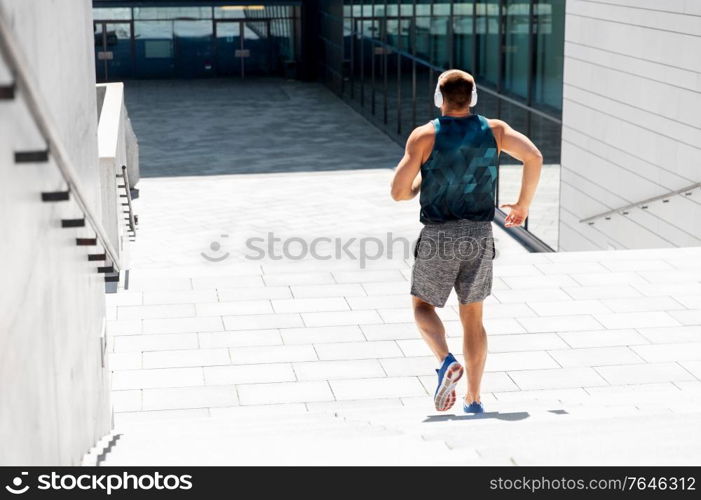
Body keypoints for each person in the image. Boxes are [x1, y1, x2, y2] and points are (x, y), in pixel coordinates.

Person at [390, 69, 542, 413]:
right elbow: (534, 156)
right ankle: (474, 399)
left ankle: (446, 362)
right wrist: (522, 205)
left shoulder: (425, 135)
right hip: (479, 234)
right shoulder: (496, 131)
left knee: (422, 307)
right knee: (472, 318)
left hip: (439, 234)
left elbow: (398, 191)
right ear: (472, 97)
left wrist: (418, 186)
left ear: (438, 98)